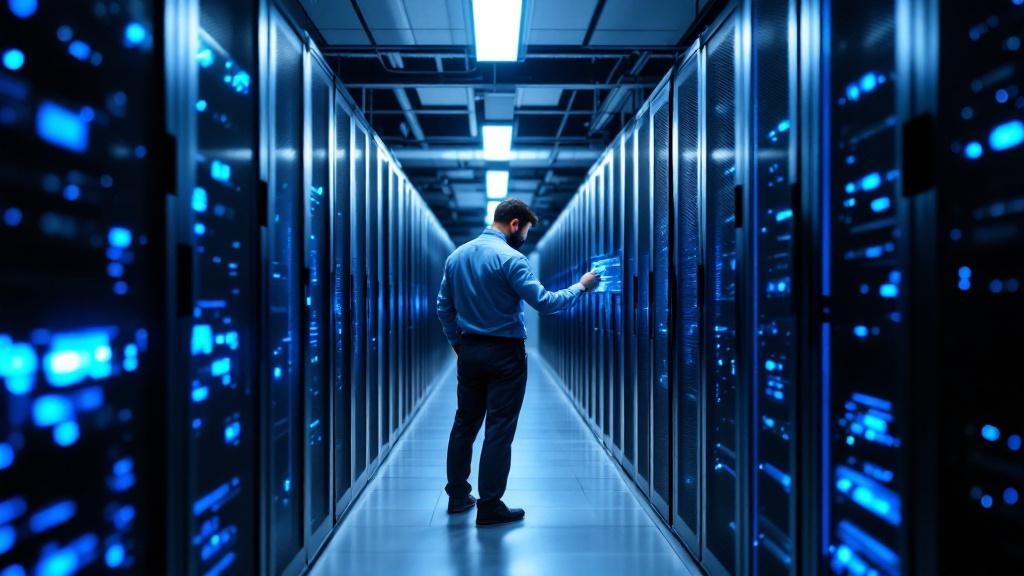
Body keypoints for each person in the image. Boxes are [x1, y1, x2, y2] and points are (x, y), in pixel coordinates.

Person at [436, 198, 600, 526]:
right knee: (499, 428)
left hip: (470, 351)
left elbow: (443, 307)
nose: (524, 237)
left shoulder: (456, 257)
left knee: (464, 424)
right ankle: (490, 505)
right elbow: (546, 303)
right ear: (514, 223)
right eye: (524, 231)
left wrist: (458, 343)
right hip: (505, 355)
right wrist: (581, 287)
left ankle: (457, 496)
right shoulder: (513, 259)